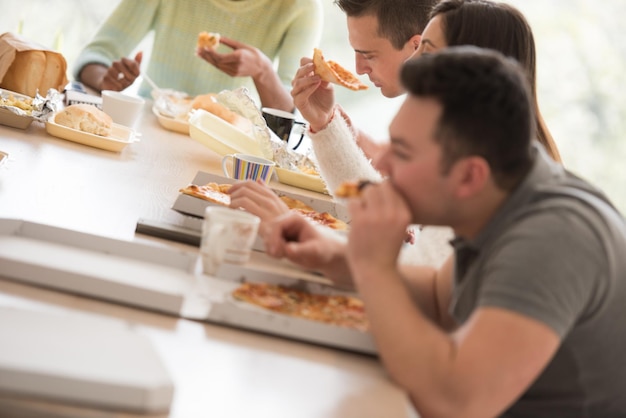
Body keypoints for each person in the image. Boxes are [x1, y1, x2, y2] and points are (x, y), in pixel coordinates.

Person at [263, 46, 626, 417]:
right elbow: (439, 300)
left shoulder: (552, 239)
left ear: (470, 175)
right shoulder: (504, 194)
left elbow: (451, 402)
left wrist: (375, 266)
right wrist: (339, 255)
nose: (382, 162)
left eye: (401, 152)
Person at [292, 0, 561, 200]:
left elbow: (397, 232)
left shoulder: (499, 183)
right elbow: (391, 218)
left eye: (426, 50)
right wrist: (328, 126)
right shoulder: (461, 141)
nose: (412, 63)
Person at [73, 0, 323, 111]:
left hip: (228, 147)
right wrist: (106, 80)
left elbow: (289, 117)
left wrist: (263, 72)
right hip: (152, 128)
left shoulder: (302, 7)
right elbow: (96, 54)